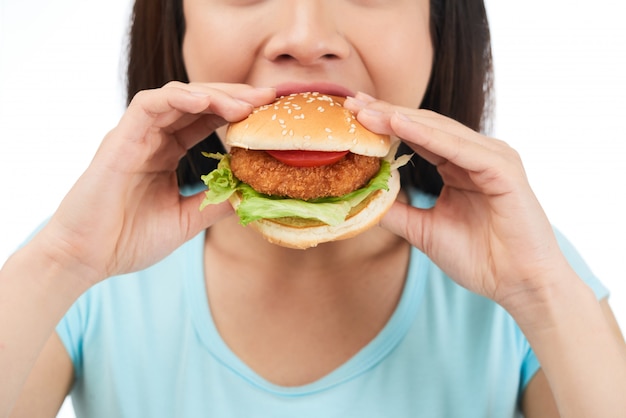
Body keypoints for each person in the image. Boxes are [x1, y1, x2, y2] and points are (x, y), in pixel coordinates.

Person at [1, 0, 625, 416]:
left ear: (442, 23)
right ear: (175, 23)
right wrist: (63, 262)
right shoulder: (81, 268)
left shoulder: (531, 272)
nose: (305, 39)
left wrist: (544, 296)